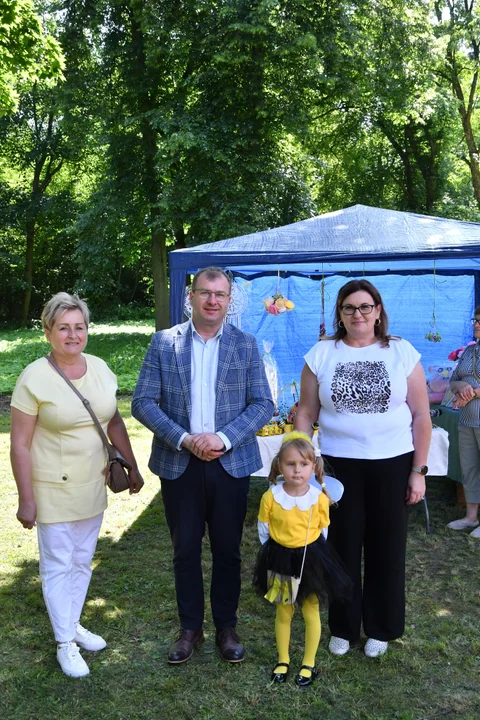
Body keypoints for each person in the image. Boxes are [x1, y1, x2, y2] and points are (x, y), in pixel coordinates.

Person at [132, 266, 273, 664]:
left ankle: (226, 628)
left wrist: (223, 438)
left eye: (220, 294)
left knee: (228, 551)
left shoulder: (246, 344)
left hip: (230, 464)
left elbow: (263, 404)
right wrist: (184, 438)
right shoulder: (164, 343)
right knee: (185, 550)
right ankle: (190, 629)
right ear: (190, 297)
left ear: (229, 301)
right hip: (180, 463)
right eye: (205, 292)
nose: (212, 300)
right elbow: (142, 402)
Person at [10, 292, 144, 678]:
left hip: (92, 483)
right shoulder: (34, 377)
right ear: (48, 332)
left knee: (82, 559)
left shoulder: (100, 368)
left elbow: (113, 421)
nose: (72, 335)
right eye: (63, 328)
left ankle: (71, 623)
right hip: (51, 487)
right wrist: (26, 499)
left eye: (79, 327)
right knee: (57, 564)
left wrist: (132, 466)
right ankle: (64, 642)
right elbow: (19, 444)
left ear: (87, 330)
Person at [295, 279, 431, 658]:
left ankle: (381, 628)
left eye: (365, 306)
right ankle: (343, 627)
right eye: (349, 307)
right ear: (339, 314)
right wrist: (305, 461)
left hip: (393, 463)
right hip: (338, 466)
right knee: (341, 546)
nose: (358, 314)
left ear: (378, 311)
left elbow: (421, 415)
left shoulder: (401, 352)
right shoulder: (321, 354)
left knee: (387, 547)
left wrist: (418, 470)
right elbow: (305, 413)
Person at [253, 432, 352, 687]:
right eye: (290, 464)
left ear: (313, 467)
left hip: (311, 559)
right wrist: (276, 553)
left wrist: (314, 552)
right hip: (281, 559)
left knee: (310, 610)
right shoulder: (271, 497)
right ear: (279, 466)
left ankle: (308, 662)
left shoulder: (318, 499)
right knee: (284, 611)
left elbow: (323, 530)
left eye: (303, 464)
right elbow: (264, 529)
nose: (297, 470)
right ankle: (283, 659)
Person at [447, 307, 480, 537]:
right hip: (467, 420)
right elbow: (453, 380)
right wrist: (461, 386)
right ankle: (471, 517)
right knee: (469, 469)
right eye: (475, 320)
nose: (476, 324)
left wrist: (472, 393)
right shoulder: (469, 351)